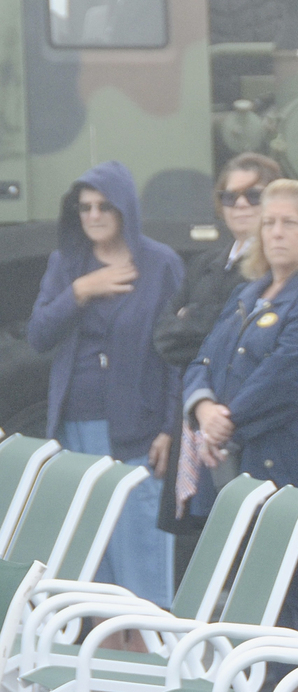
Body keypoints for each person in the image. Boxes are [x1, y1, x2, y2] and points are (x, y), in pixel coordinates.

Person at [182, 180, 298, 689]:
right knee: (259, 588)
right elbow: (203, 359)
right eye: (269, 223)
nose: (276, 233)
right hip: (245, 468)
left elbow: (287, 379)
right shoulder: (248, 292)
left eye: (289, 223)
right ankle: (269, 691)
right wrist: (204, 405)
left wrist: (226, 419)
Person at [27, 162, 184, 609]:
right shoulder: (66, 264)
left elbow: (177, 354)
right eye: (84, 208)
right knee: (90, 574)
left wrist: (171, 428)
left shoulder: (160, 264)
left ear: (126, 210)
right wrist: (79, 291)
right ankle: (101, 671)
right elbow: (39, 334)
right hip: (75, 429)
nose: (93, 216)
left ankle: (150, 669)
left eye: (104, 207)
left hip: (137, 429)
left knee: (141, 574)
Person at [154, 153, 282, 584]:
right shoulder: (207, 263)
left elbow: (234, 343)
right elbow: (166, 338)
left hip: (239, 426)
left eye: (253, 194)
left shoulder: (275, 269)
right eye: (230, 195)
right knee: (193, 562)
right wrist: (201, 327)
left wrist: (196, 323)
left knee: (249, 567)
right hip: (193, 426)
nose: (240, 204)